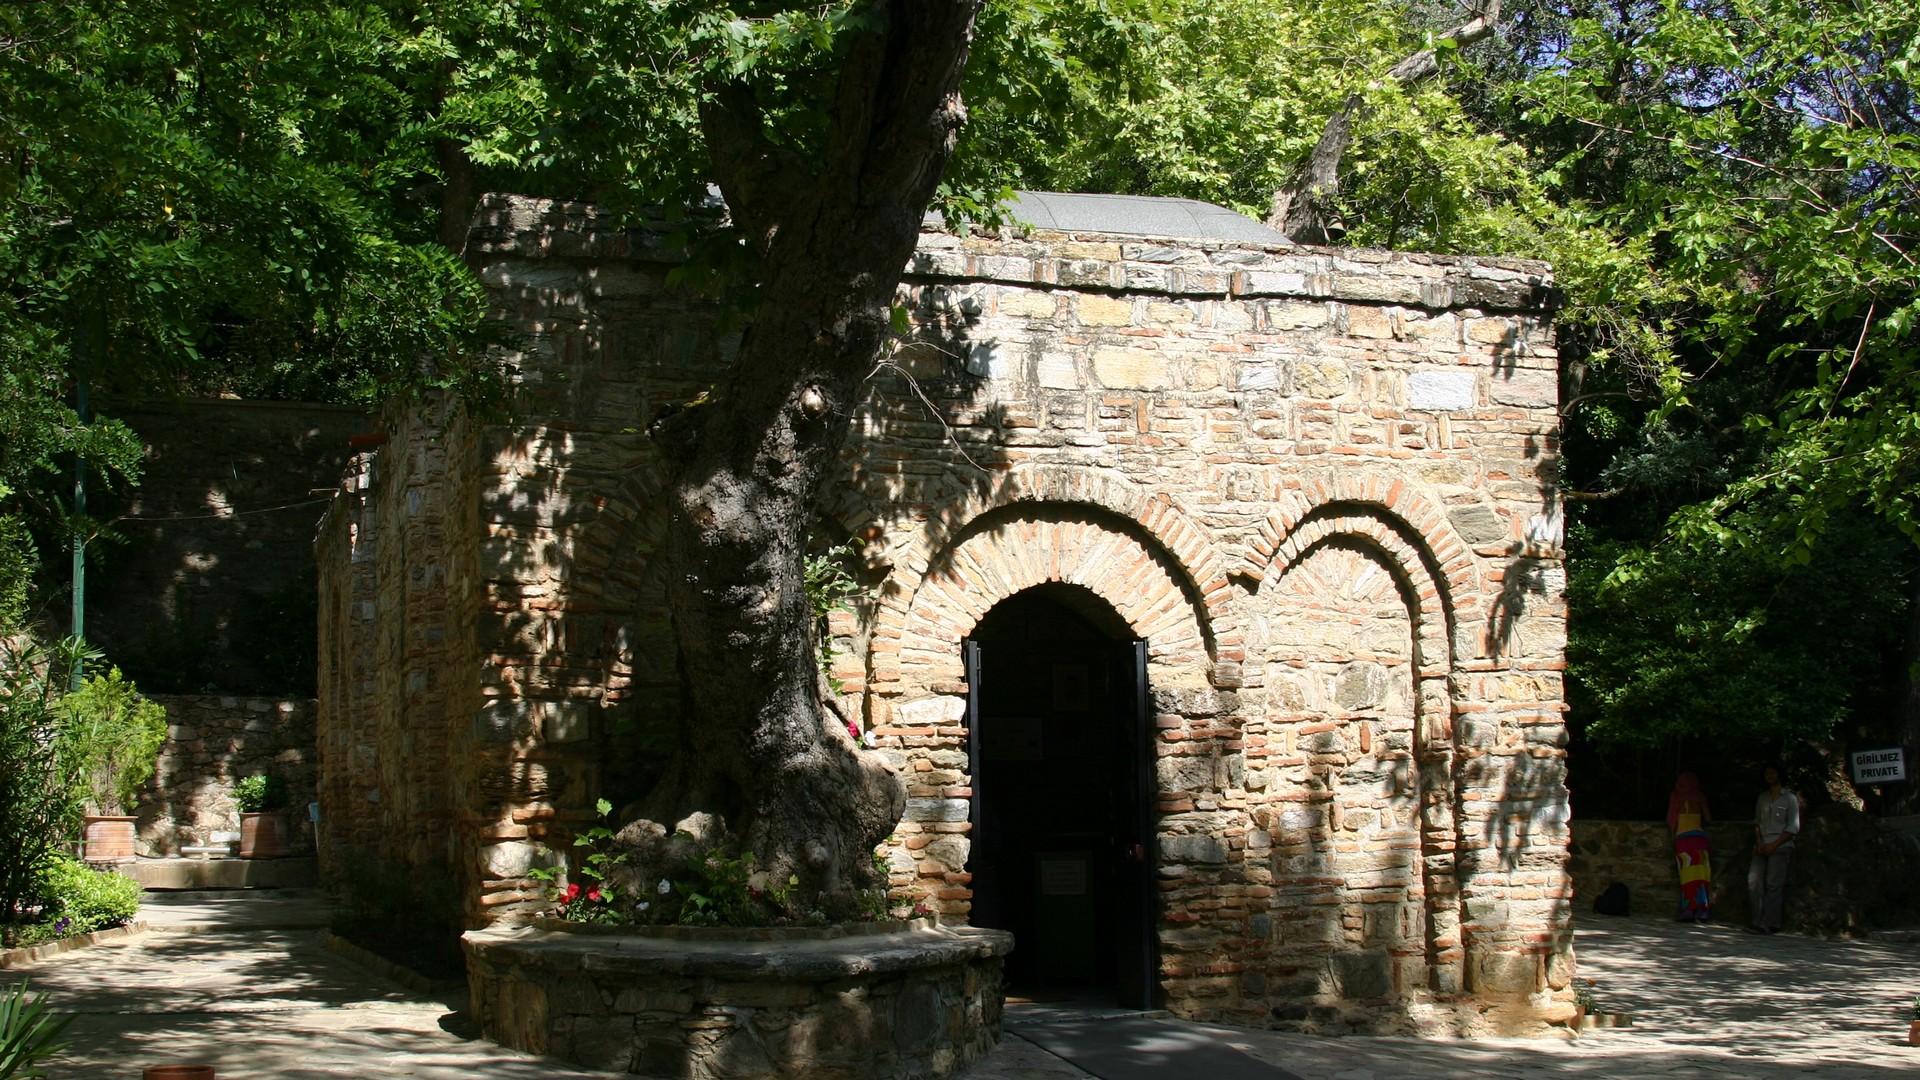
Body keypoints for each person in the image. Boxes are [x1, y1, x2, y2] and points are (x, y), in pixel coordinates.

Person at [1747, 764, 1799, 934]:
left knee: (1773, 884)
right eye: (1766, 772)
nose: (1769, 775)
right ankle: (1757, 920)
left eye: (1772, 772)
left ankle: (1769, 923)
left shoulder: (1790, 799)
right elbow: (1757, 822)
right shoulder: (1762, 798)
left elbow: (1793, 827)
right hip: (1762, 846)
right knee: (1753, 881)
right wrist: (1760, 842)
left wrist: (1774, 845)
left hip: (1780, 846)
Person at [1667, 772, 1712, 922]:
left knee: (1687, 877)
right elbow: (1708, 818)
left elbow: (1673, 818)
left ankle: (1688, 910)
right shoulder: (1699, 796)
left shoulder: (1677, 796)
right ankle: (1702, 911)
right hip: (1700, 839)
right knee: (1701, 877)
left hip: (1684, 840)